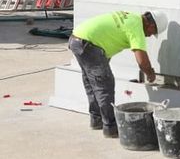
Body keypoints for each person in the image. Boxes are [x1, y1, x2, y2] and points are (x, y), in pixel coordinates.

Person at [68, 10, 167, 138]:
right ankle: (110, 127)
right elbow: (142, 61)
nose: (149, 36)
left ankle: (96, 120)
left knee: (92, 82)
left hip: (76, 39)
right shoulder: (137, 28)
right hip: (88, 44)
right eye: (152, 33)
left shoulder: (131, 17)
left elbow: (109, 34)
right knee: (105, 85)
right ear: (151, 26)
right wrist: (150, 73)